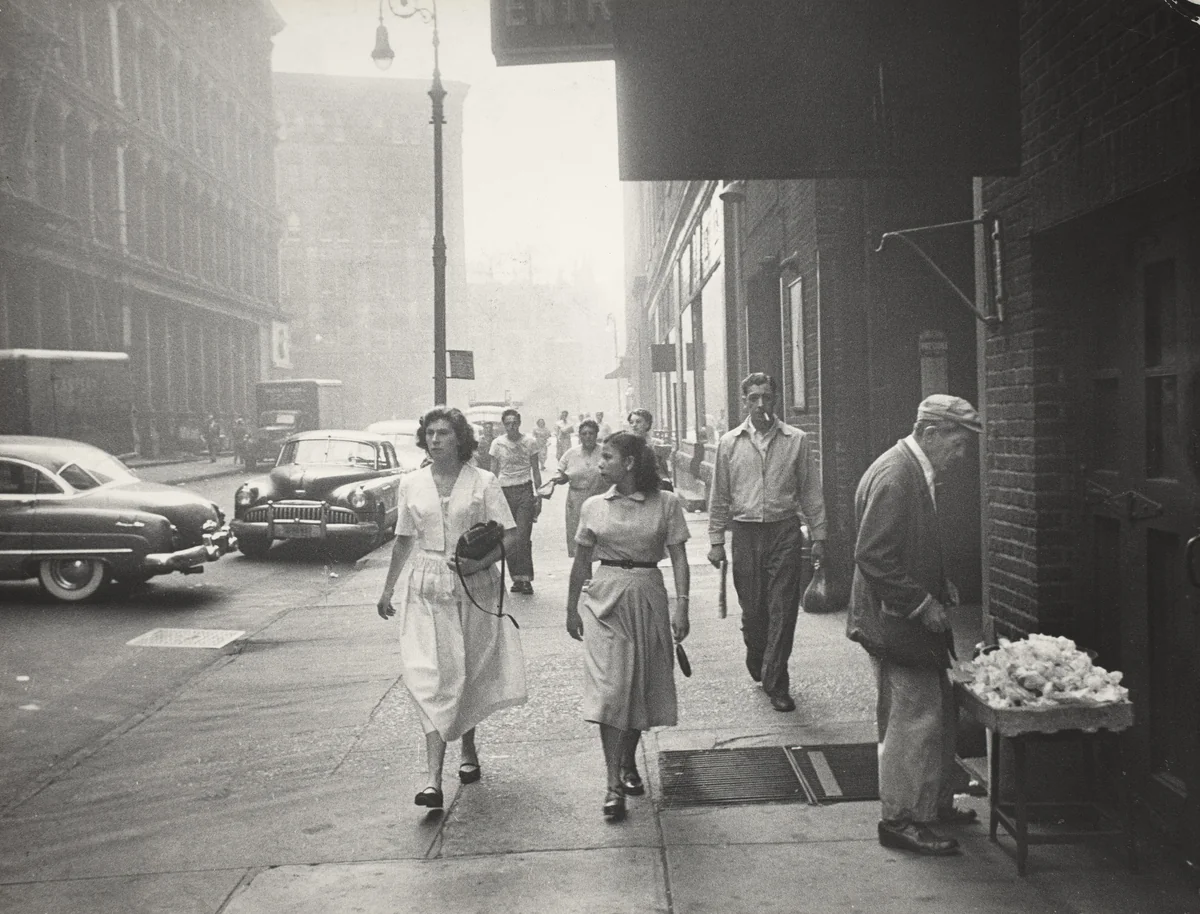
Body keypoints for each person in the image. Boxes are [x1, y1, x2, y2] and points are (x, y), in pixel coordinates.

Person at [845, 394, 982, 857]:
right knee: (911, 722)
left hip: (904, 620)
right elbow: (872, 555)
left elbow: (907, 543)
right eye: (958, 444)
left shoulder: (911, 470)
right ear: (929, 434)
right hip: (896, 624)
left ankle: (934, 803)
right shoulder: (897, 475)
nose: (962, 456)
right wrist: (923, 603)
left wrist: (940, 580)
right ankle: (901, 819)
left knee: (934, 713)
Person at [376, 406, 527, 810]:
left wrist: (479, 563)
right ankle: (431, 780)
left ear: (460, 439)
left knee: (469, 669)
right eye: (430, 432)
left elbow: (511, 536)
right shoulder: (411, 483)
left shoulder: (485, 481)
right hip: (425, 587)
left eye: (444, 433)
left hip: (474, 585)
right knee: (430, 675)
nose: (435, 439)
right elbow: (404, 539)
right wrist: (387, 589)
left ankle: (469, 749)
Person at [565, 431, 690, 822]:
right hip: (604, 599)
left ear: (631, 462)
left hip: (649, 595)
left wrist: (681, 607)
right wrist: (572, 610)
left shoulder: (666, 503)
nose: (600, 464)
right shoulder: (593, 507)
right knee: (611, 690)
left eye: (608, 457)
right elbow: (581, 563)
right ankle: (612, 783)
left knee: (639, 687)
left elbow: (680, 560)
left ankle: (627, 762)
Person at [706, 372, 826, 713]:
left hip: (784, 532)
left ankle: (777, 682)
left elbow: (810, 491)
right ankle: (756, 650)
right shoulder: (730, 443)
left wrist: (819, 534)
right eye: (754, 397)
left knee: (783, 610)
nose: (761, 404)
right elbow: (720, 496)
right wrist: (716, 540)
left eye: (767, 397)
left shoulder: (796, 440)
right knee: (754, 610)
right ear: (745, 401)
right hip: (745, 534)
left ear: (776, 400)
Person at [489, 408, 543, 594]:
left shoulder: (530, 442)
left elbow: (535, 471)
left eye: (514, 422)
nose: (511, 426)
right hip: (504, 492)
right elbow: (493, 473)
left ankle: (526, 578)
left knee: (523, 536)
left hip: (524, 490)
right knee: (509, 536)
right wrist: (490, 497)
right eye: (508, 423)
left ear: (519, 423)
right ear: (504, 425)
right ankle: (516, 579)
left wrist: (540, 496)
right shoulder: (497, 444)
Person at [538, 418, 605, 556]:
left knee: (602, 543)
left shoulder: (605, 453)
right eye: (584, 433)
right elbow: (560, 473)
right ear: (579, 436)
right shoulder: (571, 454)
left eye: (591, 433)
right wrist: (557, 480)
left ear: (596, 434)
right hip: (576, 502)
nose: (587, 436)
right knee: (580, 545)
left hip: (601, 500)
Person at [626, 407, 674, 492]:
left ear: (647, 424)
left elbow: (662, 471)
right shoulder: (625, 444)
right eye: (631, 422)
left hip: (651, 485)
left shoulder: (655, 445)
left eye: (638, 422)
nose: (634, 425)